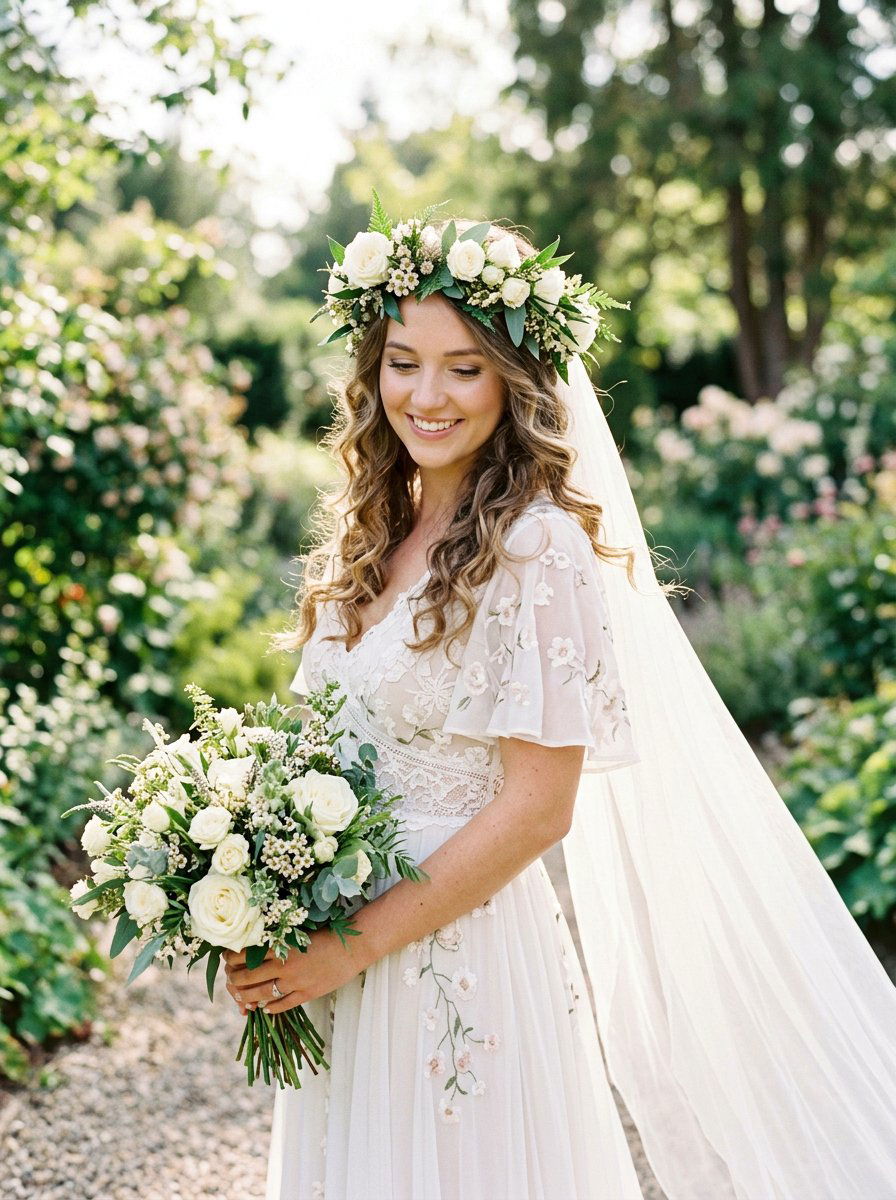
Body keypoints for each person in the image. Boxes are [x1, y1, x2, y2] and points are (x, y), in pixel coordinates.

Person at [223, 198, 896, 1200]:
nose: (427, 395)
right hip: (337, 968)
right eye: (403, 361)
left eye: (464, 367)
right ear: (371, 370)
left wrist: (342, 951)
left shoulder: (538, 549)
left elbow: (538, 806)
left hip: (453, 969)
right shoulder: (368, 539)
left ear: (515, 382)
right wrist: (246, 883)